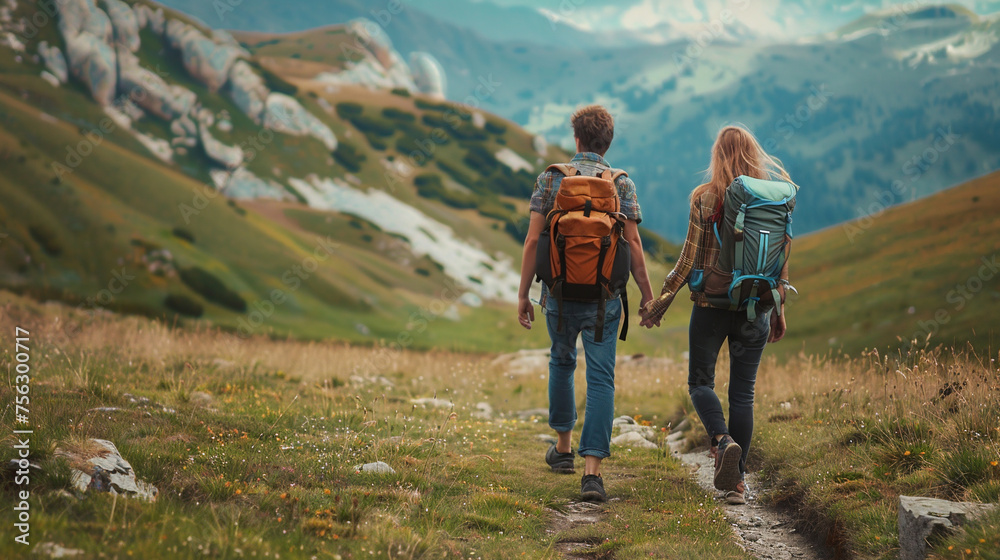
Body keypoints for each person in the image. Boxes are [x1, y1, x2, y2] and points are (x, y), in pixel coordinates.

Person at [639, 125, 792, 505]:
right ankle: (737, 485)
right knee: (744, 393)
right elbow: (783, 257)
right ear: (754, 153)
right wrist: (779, 308)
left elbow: (688, 257)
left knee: (699, 383)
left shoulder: (705, 198)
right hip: (756, 304)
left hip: (711, 305)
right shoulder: (775, 200)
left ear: (717, 155)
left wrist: (660, 302)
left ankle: (722, 441)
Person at [517, 105, 654, 502]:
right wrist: (647, 298)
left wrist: (524, 294)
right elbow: (633, 244)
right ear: (607, 143)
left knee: (561, 361)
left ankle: (562, 449)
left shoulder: (552, 178)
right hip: (604, 300)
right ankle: (592, 473)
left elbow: (532, 241)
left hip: (558, 294)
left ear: (576, 139)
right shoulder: (621, 183)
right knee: (600, 378)